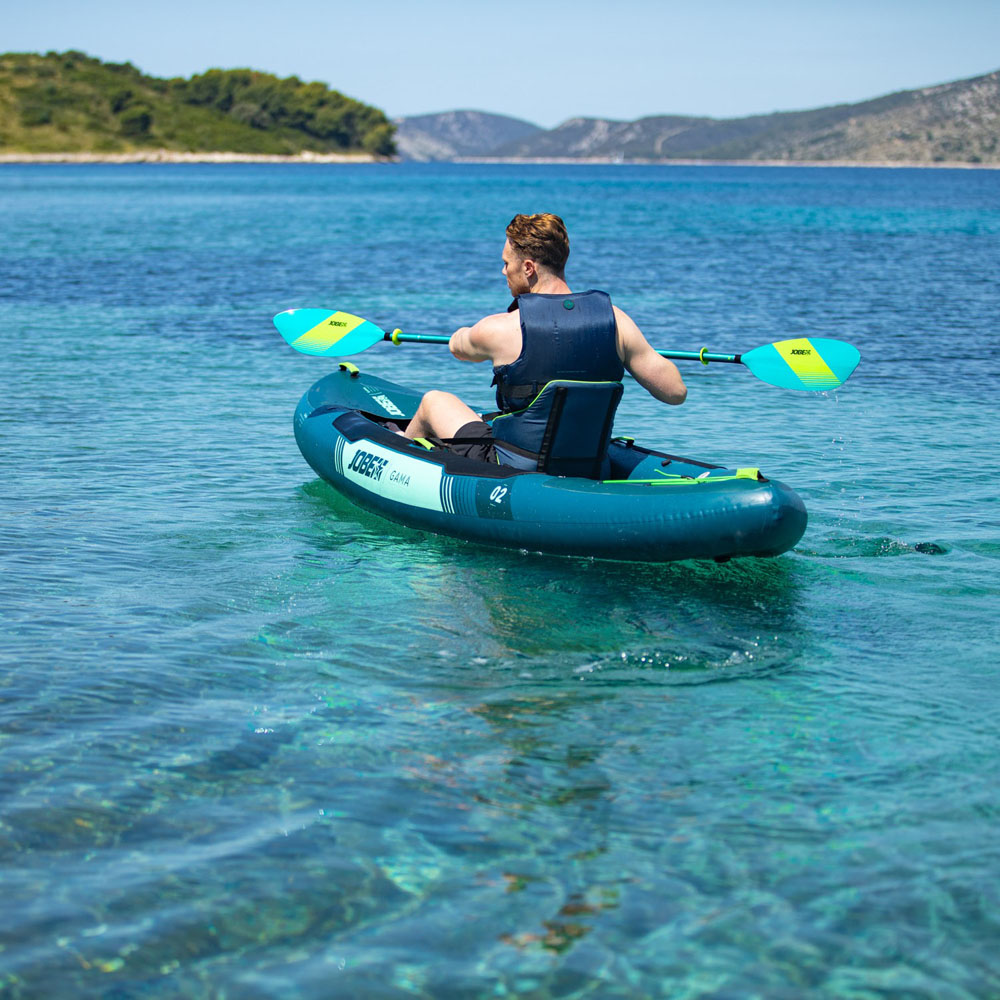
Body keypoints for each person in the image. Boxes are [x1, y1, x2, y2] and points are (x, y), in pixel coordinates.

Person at [403, 213, 687, 476]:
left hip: (516, 469)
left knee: (434, 401)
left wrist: (460, 334)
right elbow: (675, 392)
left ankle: (392, 463)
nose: (503, 272)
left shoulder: (499, 328)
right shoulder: (617, 321)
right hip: (590, 465)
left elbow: (459, 348)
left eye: (506, 263)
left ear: (528, 267)